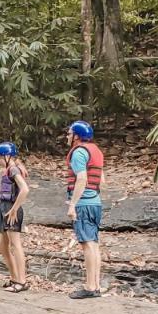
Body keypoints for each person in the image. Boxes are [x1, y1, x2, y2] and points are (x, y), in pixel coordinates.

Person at [65, 120, 104, 298]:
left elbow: (81, 179)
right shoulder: (96, 151)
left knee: (87, 244)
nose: (67, 136)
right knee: (93, 244)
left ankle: (89, 287)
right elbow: (101, 180)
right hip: (95, 202)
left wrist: (73, 204)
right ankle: (95, 285)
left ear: (77, 136)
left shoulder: (79, 153)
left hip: (84, 204)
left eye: (69, 133)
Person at [0, 142, 30, 293]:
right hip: (4, 208)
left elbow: (24, 189)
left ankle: (21, 281)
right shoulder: (9, 169)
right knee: (2, 246)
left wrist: (14, 208)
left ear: (7, 156)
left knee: (15, 244)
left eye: (0, 159)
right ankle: (15, 277)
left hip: (10, 208)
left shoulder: (13, 169)